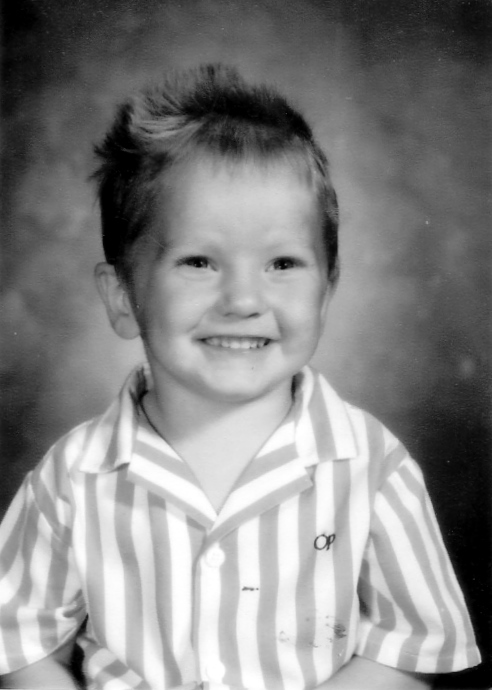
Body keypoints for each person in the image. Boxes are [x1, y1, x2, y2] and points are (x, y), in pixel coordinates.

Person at [0, 64, 481, 690]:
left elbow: (411, 647)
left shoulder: (373, 469)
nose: (244, 300)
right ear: (122, 296)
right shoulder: (72, 478)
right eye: (199, 261)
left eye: (282, 263)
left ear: (327, 290)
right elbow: (17, 643)